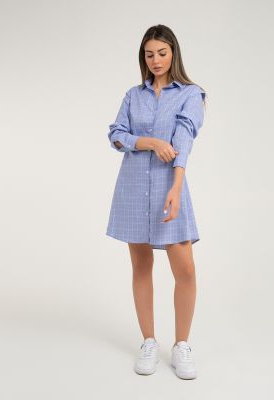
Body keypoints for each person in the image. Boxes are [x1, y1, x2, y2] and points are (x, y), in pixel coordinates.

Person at [106, 24, 206, 380]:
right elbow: (116, 135)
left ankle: (181, 345)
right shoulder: (133, 96)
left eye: (162, 53)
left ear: (173, 53)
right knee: (141, 266)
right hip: (133, 188)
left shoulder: (191, 94)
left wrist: (176, 187)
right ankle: (148, 341)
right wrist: (149, 142)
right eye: (149, 54)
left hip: (168, 186)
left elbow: (184, 139)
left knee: (186, 270)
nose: (156, 60)